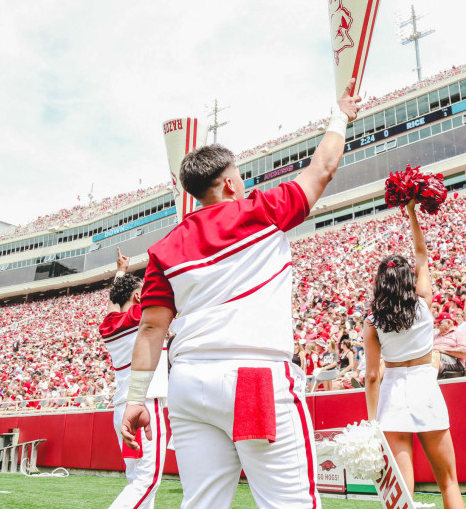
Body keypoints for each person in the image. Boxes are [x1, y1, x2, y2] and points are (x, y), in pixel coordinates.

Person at [120, 82, 361, 508]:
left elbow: (151, 329)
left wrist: (136, 399)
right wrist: (340, 115)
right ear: (231, 182)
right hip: (252, 377)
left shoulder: (164, 249)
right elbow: (322, 169)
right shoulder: (259, 211)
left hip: (188, 383)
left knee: (202, 503)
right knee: (289, 503)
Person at [363, 199, 465, 509]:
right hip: (425, 389)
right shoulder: (423, 303)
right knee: (448, 482)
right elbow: (422, 254)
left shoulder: (372, 320)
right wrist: (410, 213)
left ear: (381, 283)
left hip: (392, 395)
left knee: (402, 490)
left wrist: (372, 421)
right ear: (409, 279)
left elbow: (370, 376)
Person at [99, 248, 169, 509]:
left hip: (121, 407)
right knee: (147, 482)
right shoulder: (142, 315)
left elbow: (113, 303)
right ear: (139, 295)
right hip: (145, 403)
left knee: (135, 479)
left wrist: (120, 273)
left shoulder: (108, 325)